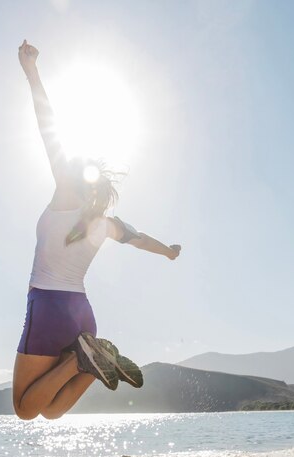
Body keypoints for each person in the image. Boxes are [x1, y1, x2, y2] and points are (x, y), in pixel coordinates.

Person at [13, 40, 181, 421]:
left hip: (49, 306)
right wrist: (169, 252)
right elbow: (141, 241)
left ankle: (79, 363)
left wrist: (32, 72)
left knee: (25, 409)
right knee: (52, 412)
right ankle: (90, 360)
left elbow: (46, 126)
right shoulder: (106, 223)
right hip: (81, 315)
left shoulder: (64, 193)